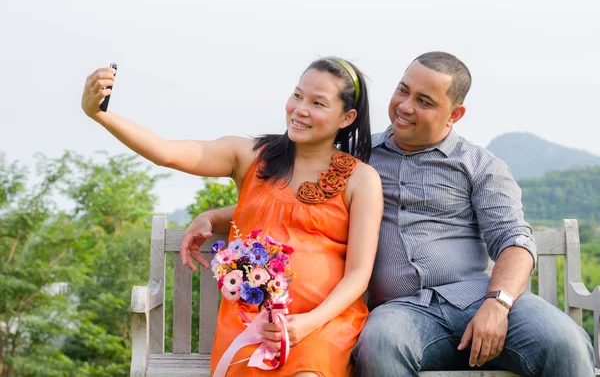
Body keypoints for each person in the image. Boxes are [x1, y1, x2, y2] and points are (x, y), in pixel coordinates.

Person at [182, 52, 595, 376]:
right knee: (378, 345)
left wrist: (499, 303)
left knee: (567, 342)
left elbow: (515, 241)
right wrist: (217, 217)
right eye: (402, 90)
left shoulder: (481, 165)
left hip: (477, 297)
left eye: (424, 101)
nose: (404, 106)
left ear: (455, 114)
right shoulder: (357, 160)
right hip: (401, 311)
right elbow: (299, 205)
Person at [81, 57, 383, 377]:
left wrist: (309, 322)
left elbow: (358, 274)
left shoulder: (361, 180)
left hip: (322, 325)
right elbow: (166, 151)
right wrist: (101, 115)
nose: (300, 109)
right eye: (297, 95)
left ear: (346, 117)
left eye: (318, 103)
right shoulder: (249, 155)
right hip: (249, 324)